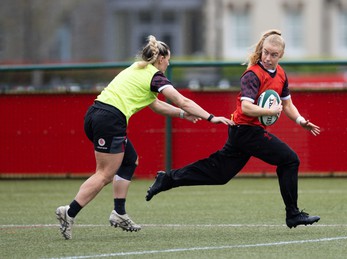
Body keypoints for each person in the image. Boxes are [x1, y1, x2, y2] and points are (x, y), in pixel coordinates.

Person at [55, 35, 234, 240]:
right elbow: (181, 100)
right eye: (168, 59)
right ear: (160, 59)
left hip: (95, 115)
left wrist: (183, 115)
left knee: (130, 160)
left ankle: (119, 212)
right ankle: (69, 212)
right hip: (110, 119)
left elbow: (156, 104)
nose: (168, 63)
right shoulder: (155, 76)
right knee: (104, 174)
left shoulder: (137, 68)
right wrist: (211, 117)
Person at [145, 29, 321, 229]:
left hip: (245, 133)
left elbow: (287, 104)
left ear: (281, 56)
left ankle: (167, 179)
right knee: (289, 160)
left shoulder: (280, 74)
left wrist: (300, 121)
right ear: (261, 50)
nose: (268, 58)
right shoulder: (252, 75)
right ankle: (293, 214)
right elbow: (246, 107)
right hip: (246, 130)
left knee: (219, 174)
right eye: (265, 52)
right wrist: (268, 110)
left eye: (273, 55)